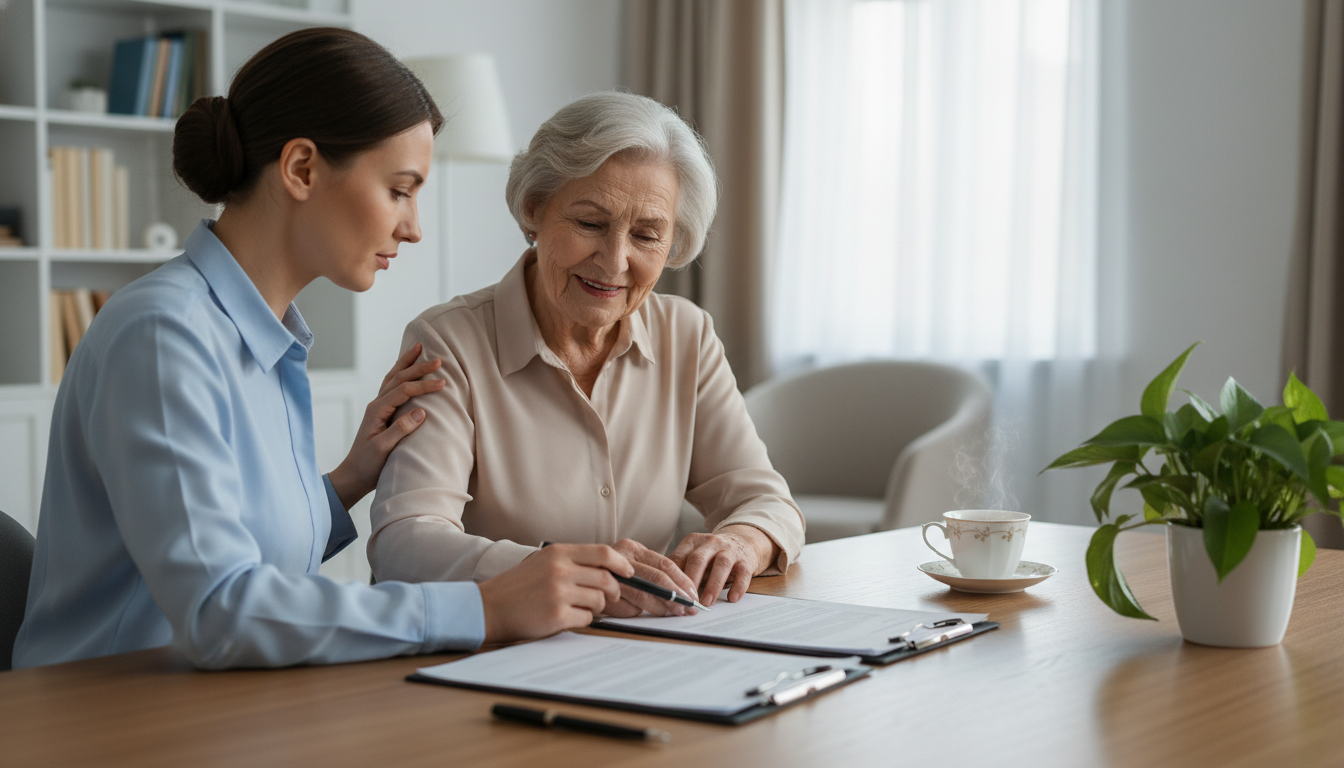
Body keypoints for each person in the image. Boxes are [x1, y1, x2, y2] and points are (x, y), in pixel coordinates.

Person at [12, 28, 634, 671]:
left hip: (215, 707)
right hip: (101, 718)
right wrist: (485, 607)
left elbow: (242, 551)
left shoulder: (259, 334)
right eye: (399, 189)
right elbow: (222, 610)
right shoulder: (164, 335)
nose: (414, 227)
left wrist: (349, 480)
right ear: (302, 168)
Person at [369, 92, 805, 615]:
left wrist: (739, 541)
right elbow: (405, 542)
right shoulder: (450, 341)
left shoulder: (687, 335)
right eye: (590, 224)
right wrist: (558, 573)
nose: (615, 261)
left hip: (644, 647)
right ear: (535, 210)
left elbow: (766, 500)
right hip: (491, 650)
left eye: (646, 234)